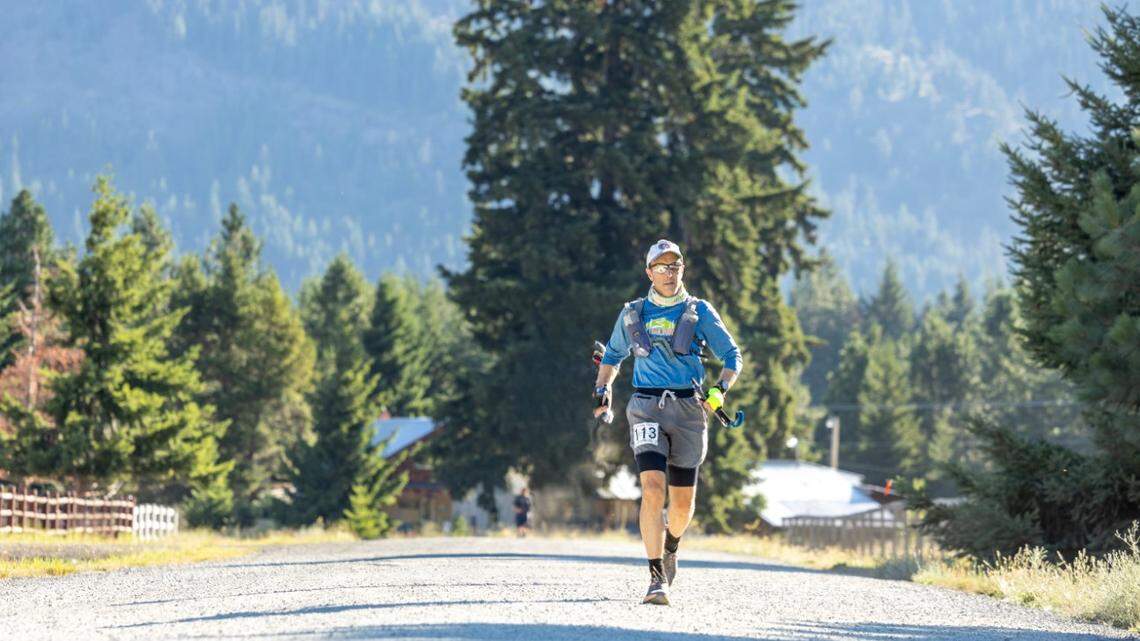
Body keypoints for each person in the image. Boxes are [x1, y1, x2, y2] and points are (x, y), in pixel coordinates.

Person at [593, 239, 741, 606]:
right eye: (661, 266)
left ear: (682, 269)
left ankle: (671, 545)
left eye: (675, 266)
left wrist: (720, 390)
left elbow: (732, 355)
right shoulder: (633, 313)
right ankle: (656, 577)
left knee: (681, 504)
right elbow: (612, 356)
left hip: (690, 410)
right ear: (649, 272)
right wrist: (602, 390)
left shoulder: (699, 311)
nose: (669, 272)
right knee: (653, 488)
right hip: (645, 406)